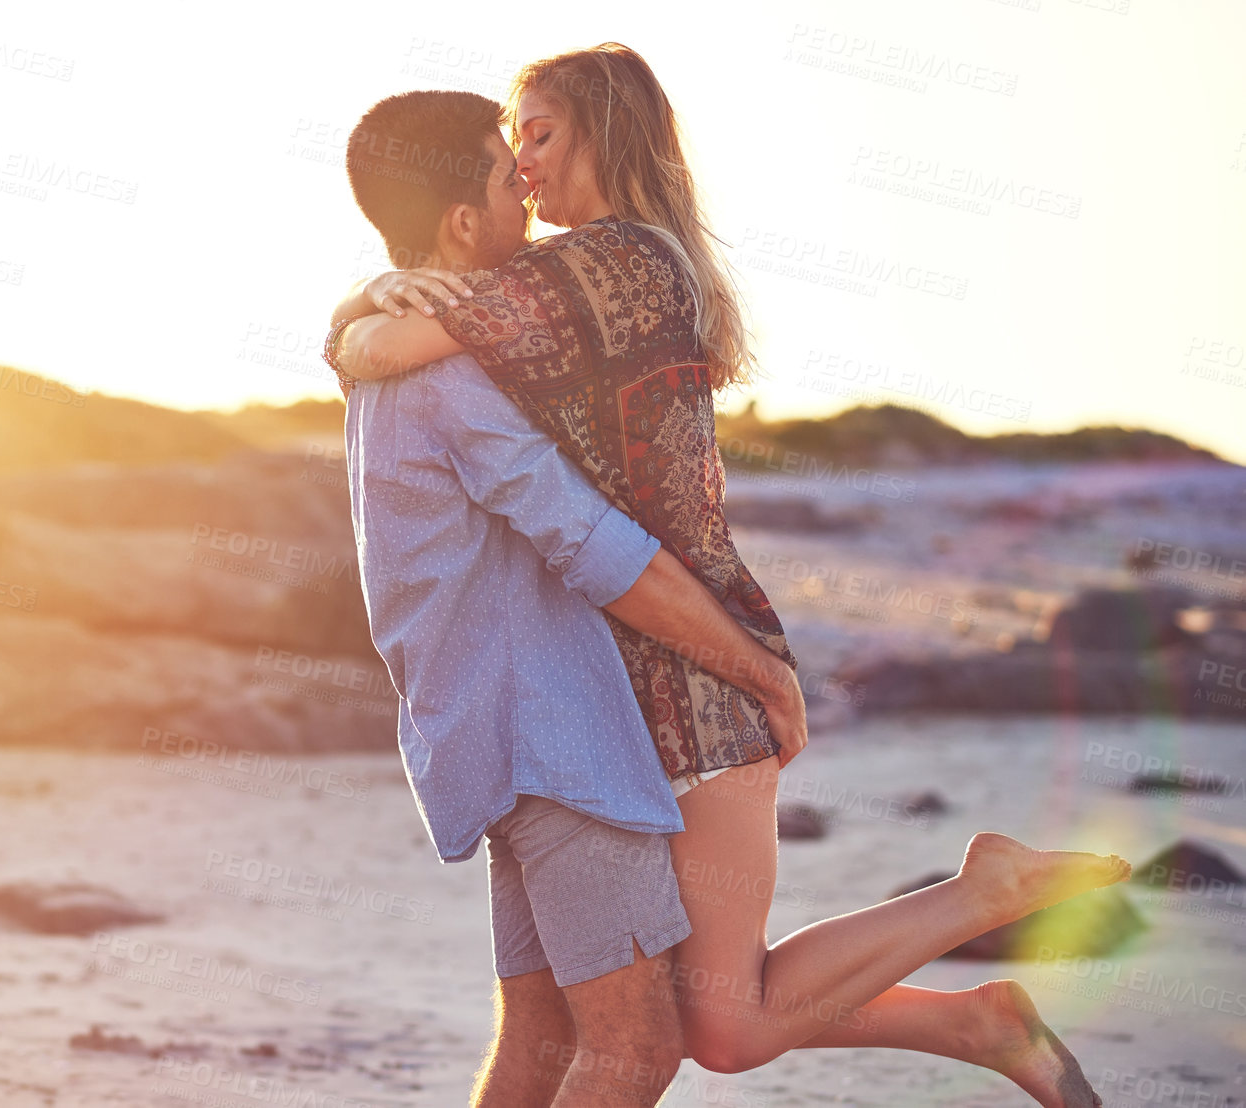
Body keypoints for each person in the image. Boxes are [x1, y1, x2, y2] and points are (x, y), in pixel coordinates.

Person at [329, 50, 1129, 1108]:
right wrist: (372, 304)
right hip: (585, 700)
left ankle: (979, 951)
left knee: (688, 1024)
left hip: (632, 684)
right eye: (508, 149)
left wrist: (360, 316)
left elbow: (392, 348)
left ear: (605, 136)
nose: (523, 169)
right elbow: (545, 493)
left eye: (540, 134)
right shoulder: (515, 315)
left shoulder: (602, 268)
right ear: (464, 217)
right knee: (656, 1028)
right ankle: (980, 997)